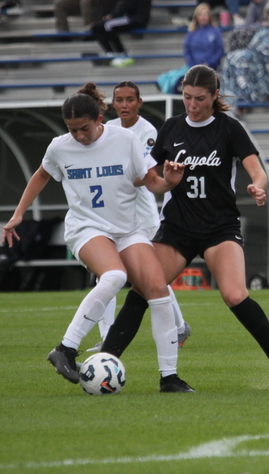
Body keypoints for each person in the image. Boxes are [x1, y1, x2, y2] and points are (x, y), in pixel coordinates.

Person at [100, 65, 269, 391]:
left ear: (215, 96)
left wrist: (258, 186)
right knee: (144, 289)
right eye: (187, 97)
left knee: (235, 295)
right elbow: (149, 178)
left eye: (200, 99)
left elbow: (257, 171)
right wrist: (158, 179)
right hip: (178, 227)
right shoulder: (172, 128)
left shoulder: (229, 128)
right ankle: (105, 362)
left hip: (219, 227)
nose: (192, 104)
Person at [1, 83, 194, 393]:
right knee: (115, 275)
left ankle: (169, 378)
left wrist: (169, 182)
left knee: (157, 291)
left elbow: (149, 181)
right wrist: (18, 214)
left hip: (127, 230)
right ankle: (65, 348)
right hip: (87, 228)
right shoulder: (59, 147)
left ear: (99, 119)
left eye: (84, 128)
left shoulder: (126, 139)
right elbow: (41, 175)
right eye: (72, 130)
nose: (79, 135)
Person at [89, 81, 191, 351]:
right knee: (109, 273)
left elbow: (141, 172)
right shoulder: (107, 129)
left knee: (153, 275)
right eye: (119, 100)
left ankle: (179, 326)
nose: (124, 105)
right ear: (112, 103)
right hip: (112, 211)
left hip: (141, 213)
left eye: (129, 100)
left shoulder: (147, 131)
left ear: (139, 102)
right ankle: (107, 338)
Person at [157, 3, 226, 95]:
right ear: (196, 17)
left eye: (205, 14)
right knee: (178, 83)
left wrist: (208, 64)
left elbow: (219, 51)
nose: (203, 17)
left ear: (209, 16)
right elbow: (187, 52)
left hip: (212, 68)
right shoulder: (191, 33)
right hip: (193, 67)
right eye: (200, 15)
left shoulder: (215, 32)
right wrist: (194, 66)